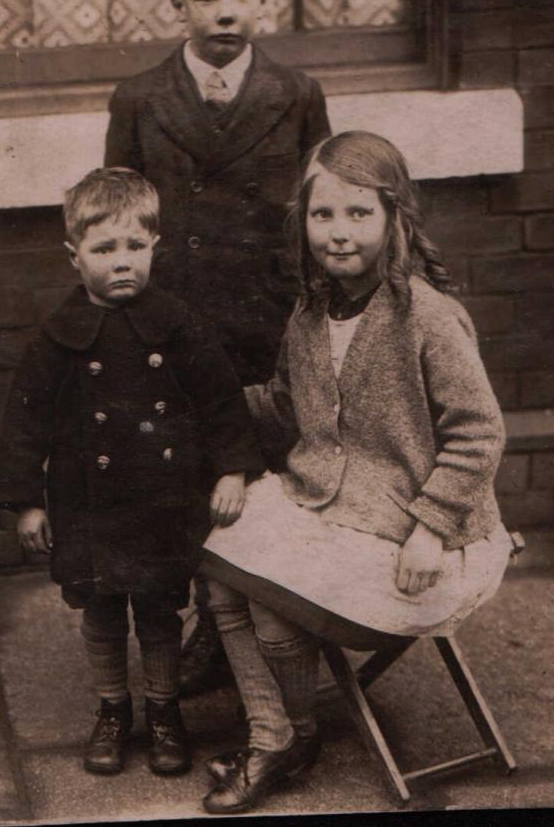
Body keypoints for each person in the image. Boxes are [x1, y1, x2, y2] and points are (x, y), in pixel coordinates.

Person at [198, 131, 514, 814]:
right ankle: (275, 730)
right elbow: (286, 406)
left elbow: (479, 432)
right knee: (221, 562)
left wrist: (430, 529)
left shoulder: (427, 317)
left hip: (421, 534)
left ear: (395, 218)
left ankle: (289, 735)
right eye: (323, 215)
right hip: (325, 503)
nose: (338, 233)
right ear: (302, 222)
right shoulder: (311, 312)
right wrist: (202, 411)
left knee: (267, 595)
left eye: (359, 214)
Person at [104, 0, 331, 694]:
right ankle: (209, 631)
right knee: (190, 474)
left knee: (266, 472)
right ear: (179, 3)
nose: (226, 10)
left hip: (265, 325)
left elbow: (317, 215)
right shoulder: (138, 99)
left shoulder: (297, 96)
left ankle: (276, 629)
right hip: (175, 322)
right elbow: (119, 218)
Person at [0, 168, 266, 778]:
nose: (122, 263)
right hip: (87, 503)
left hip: (163, 499)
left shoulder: (177, 324)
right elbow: (25, 421)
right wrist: (27, 503)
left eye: (135, 247)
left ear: (155, 248)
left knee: (160, 610)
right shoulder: (56, 339)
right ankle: (113, 709)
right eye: (104, 249)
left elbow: (222, 400)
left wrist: (232, 473)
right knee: (102, 610)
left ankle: (165, 711)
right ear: (73, 256)